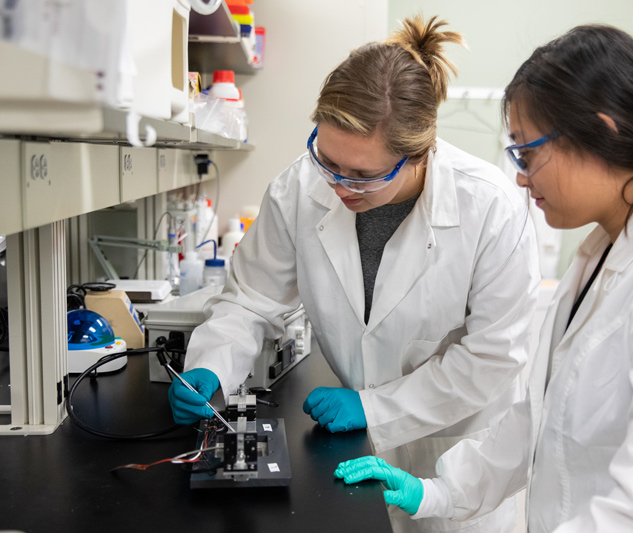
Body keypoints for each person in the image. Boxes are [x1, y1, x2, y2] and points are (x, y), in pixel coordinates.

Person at [335, 24, 633, 532]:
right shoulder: (606, 254)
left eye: (527, 153)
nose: (521, 177)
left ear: (602, 131)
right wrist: (438, 490)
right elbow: (541, 421)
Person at [168, 14, 540, 533]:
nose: (339, 185)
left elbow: (491, 359)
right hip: (350, 458)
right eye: (327, 159)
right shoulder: (301, 187)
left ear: (419, 154)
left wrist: (374, 406)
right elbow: (250, 298)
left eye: (364, 176)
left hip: (454, 459)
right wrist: (213, 363)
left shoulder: (491, 210)